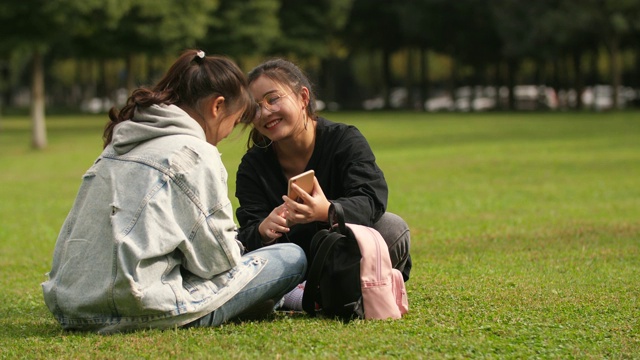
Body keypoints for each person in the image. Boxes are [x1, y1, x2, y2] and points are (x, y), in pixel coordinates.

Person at [41, 50, 307, 334]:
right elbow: (217, 262)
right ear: (217, 107)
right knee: (291, 256)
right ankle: (276, 298)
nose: (229, 132)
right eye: (235, 119)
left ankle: (265, 300)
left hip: (71, 308)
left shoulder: (119, 144)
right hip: (139, 308)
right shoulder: (195, 153)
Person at [235, 59, 411, 309]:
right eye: (255, 108)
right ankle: (328, 294)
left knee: (392, 228)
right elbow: (248, 232)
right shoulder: (253, 166)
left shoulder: (344, 140)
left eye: (273, 99)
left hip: (341, 253)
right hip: (289, 262)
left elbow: (371, 197)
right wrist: (263, 230)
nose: (265, 113)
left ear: (303, 97)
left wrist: (327, 211)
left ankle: (307, 296)